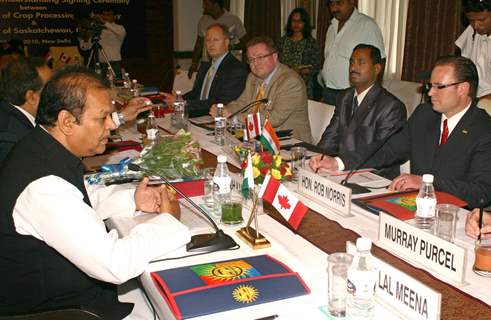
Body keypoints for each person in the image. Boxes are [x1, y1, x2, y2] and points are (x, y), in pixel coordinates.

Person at [0, 66, 189, 318]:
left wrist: (133, 199)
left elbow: (77, 196)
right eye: (103, 117)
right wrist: (168, 220)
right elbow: (116, 264)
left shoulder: (40, 146)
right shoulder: (43, 187)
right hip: (60, 310)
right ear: (67, 121)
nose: (111, 125)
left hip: (64, 291)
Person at [310, 56, 491, 208]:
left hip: (456, 217)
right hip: (412, 208)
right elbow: (387, 150)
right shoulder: (424, 115)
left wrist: (427, 184)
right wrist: (338, 162)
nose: (430, 93)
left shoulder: (484, 129)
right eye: (430, 86)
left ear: (463, 89)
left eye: (439, 87)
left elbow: (480, 191)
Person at [311, 44, 406, 179]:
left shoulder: (391, 107)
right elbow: (331, 136)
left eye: (361, 62)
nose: (353, 68)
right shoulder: (344, 97)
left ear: (377, 68)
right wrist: (318, 158)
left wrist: (339, 165)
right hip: (342, 170)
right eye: (351, 62)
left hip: (373, 177)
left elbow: (381, 155)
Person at [210, 36, 313, 143]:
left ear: (274, 56)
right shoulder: (252, 77)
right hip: (257, 138)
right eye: (251, 59)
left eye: (260, 57)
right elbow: (242, 103)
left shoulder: (290, 81)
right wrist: (225, 110)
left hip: (289, 144)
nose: (255, 63)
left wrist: (235, 118)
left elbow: (275, 118)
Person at [161, 23, 247, 117]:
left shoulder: (236, 69)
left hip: (216, 119)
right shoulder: (205, 66)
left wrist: (183, 103)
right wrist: (179, 99)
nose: (211, 44)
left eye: (215, 40)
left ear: (226, 42)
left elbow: (221, 103)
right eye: (208, 40)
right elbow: (196, 94)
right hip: (197, 116)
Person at [320, 0, 385, 105]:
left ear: (351, 2)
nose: (335, 8)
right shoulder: (331, 27)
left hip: (352, 93)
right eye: (331, 4)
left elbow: (380, 59)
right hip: (328, 91)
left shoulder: (367, 25)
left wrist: (373, 94)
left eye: (339, 3)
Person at [0, 57, 53, 164]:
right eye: (52, 88)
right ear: (32, 97)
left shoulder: (8, 115)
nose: (59, 93)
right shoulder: (12, 138)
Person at [188, 0, 246, 79]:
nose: (203, 7)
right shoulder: (203, 21)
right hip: (206, 63)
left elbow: (245, 42)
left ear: (216, 5)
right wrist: (194, 63)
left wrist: (230, 47)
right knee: (200, 88)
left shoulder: (233, 19)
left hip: (226, 64)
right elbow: (199, 44)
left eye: (206, 4)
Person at [278, 7, 321, 99]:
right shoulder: (282, 41)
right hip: (283, 85)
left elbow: (317, 66)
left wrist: (300, 71)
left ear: (305, 23)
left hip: (304, 87)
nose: (296, 24)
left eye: (300, 21)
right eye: (294, 21)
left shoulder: (312, 43)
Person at [455, 0, 491, 106]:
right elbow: (462, 68)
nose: (476, 25)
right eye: (471, 20)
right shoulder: (472, 32)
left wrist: (474, 102)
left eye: (482, 19)